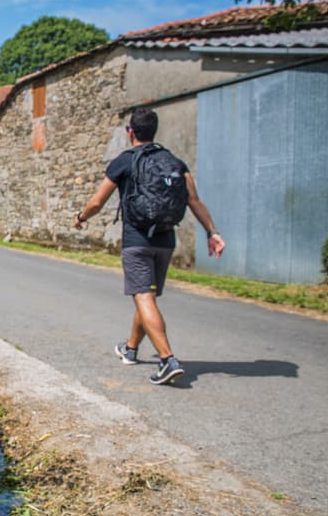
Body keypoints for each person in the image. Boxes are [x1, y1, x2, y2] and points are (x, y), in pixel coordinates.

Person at [73, 108, 225, 385]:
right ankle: (130, 348)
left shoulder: (124, 161)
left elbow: (97, 202)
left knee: (143, 297)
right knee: (147, 297)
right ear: (154, 131)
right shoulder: (175, 162)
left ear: (130, 132)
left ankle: (168, 359)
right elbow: (194, 200)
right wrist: (212, 232)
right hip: (166, 240)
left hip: (137, 241)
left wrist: (81, 218)